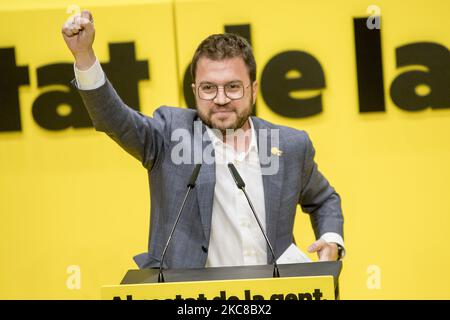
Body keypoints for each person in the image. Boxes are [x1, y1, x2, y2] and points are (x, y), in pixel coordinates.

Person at [61, 10, 345, 269]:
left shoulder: (290, 145)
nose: (221, 99)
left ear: (254, 90)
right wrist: (84, 55)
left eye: (233, 87)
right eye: (209, 88)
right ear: (195, 90)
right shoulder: (170, 135)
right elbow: (114, 119)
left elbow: (324, 199)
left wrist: (330, 241)